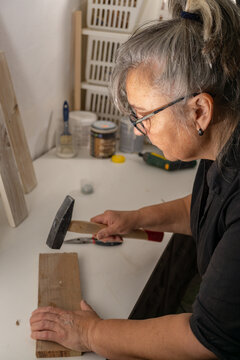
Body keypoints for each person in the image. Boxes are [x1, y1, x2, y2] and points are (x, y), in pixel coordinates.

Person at [30, 0, 240, 358]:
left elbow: (204, 338)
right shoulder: (222, 143)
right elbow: (208, 207)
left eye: (146, 116)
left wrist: (92, 333)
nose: (139, 132)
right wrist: (138, 218)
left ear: (199, 111)